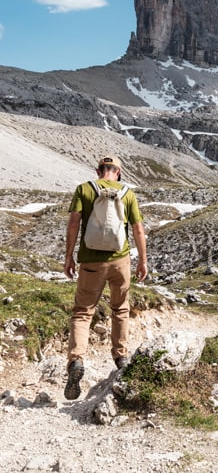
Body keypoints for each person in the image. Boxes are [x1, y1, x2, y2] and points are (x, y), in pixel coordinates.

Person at [63, 155, 148, 400]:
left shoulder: (84, 189)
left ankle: (76, 361)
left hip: (90, 261)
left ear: (98, 170)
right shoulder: (127, 193)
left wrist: (69, 257)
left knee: (82, 312)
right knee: (120, 308)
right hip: (120, 261)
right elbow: (138, 229)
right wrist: (142, 260)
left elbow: (73, 225)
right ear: (118, 173)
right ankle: (121, 358)